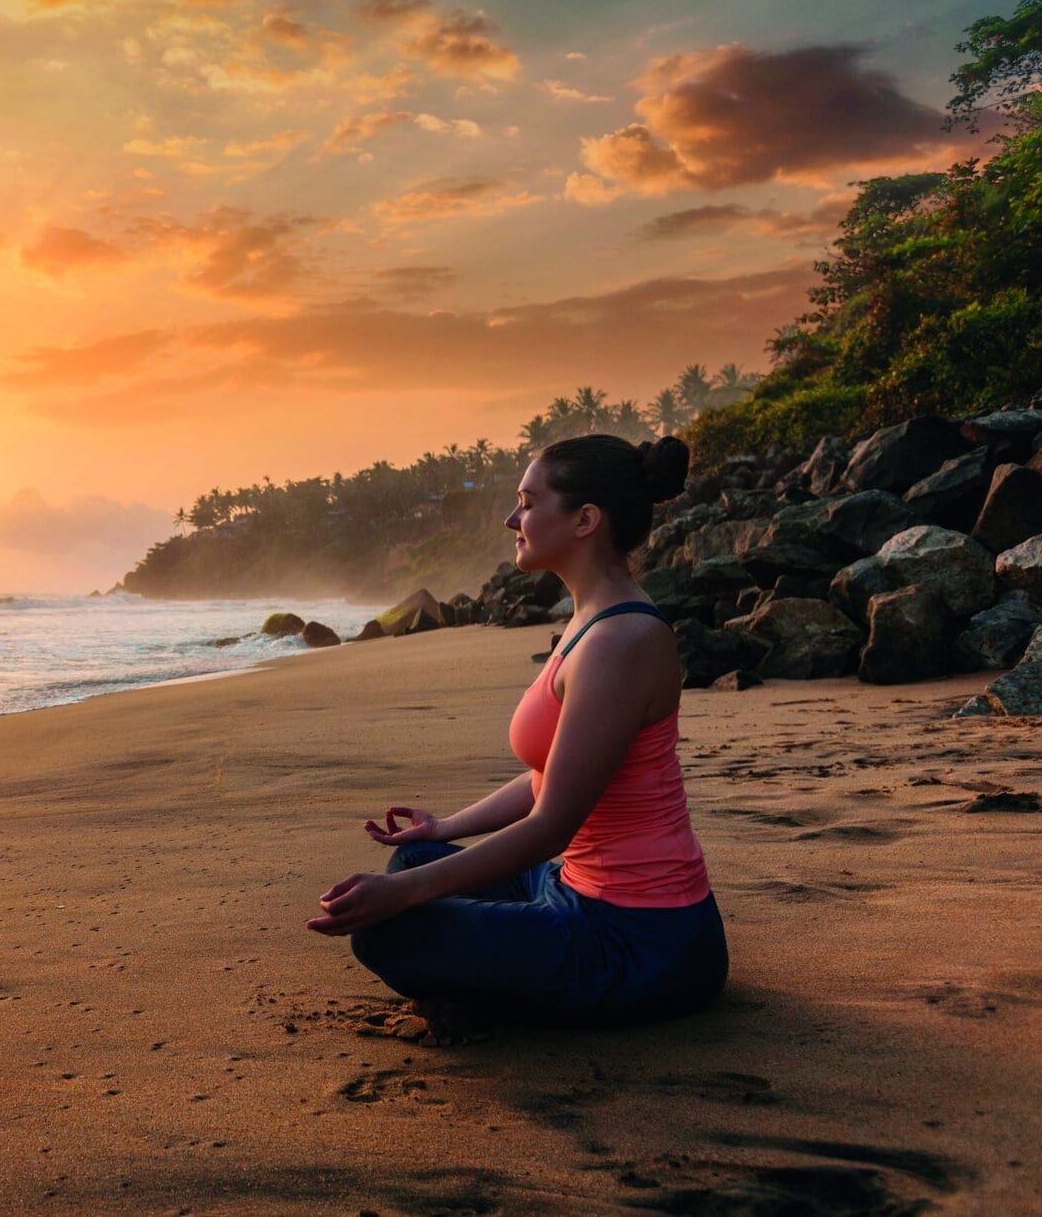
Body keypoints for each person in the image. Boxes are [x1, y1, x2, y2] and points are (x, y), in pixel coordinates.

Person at [306, 433, 728, 1046]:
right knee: (415, 860)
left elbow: (553, 824)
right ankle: (495, 972)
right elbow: (549, 776)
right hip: (570, 890)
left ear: (585, 520)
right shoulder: (589, 620)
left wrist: (402, 895)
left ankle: (499, 990)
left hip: (642, 941)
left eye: (528, 503)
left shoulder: (619, 643)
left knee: (388, 927)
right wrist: (444, 829)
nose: (512, 519)